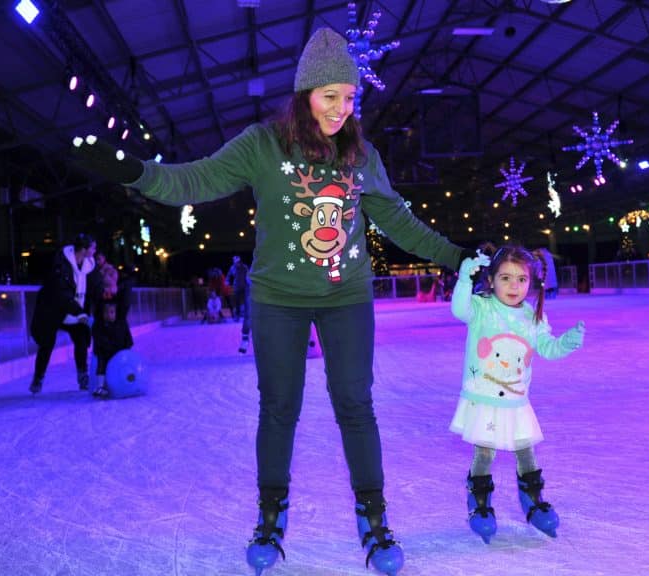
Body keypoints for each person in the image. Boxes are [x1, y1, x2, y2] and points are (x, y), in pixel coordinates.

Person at [71, 27, 479, 575]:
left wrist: (457, 256)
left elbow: (396, 219)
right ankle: (270, 511)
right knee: (279, 407)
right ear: (304, 94)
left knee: (355, 404)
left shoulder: (361, 153)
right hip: (277, 299)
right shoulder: (263, 144)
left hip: (346, 296)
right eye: (329, 96)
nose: (341, 109)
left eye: (350, 97)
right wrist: (136, 173)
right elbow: (196, 180)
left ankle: (374, 516)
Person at [450, 244, 584, 543]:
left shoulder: (531, 317)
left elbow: (547, 348)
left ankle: (533, 500)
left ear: (531, 282)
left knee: (526, 451)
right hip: (483, 397)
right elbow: (459, 310)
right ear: (491, 280)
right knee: (484, 452)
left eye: (521, 279)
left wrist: (567, 342)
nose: (514, 286)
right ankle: (480, 502)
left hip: (516, 401)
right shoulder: (482, 308)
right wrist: (463, 279)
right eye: (505, 278)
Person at [29, 233, 96, 394]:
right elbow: (62, 295)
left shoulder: (88, 265)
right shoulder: (61, 265)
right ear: (84, 249)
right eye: (93, 247)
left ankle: (83, 375)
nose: (95, 251)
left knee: (80, 337)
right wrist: (81, 313)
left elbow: (97, 285)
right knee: (47, 344)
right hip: (53, 310)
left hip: (74, 309)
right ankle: (38, 378)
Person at [89, 266, 134, 398]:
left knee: (123, 360)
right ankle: (100, 386)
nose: (109, 289)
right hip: (104, 338)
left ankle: (127, 380)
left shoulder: (120, 299)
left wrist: (120, 288)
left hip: (119, 337)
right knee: (102, 361)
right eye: (106, 285)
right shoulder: (99, 300)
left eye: (111, 284)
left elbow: (126, 295)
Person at [227, 255, 250, 322]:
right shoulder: (232, 268)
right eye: (234, 262)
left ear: (239, 262)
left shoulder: (245, 267)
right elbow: (228, 275)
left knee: (246, 302)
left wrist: (249, 282)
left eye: (237, 262)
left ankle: (247, 316)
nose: (235, 264)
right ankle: (237, 316)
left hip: (245, 286)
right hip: (236, 287)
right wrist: (227, 281)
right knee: (237, 302)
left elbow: (248, 275)